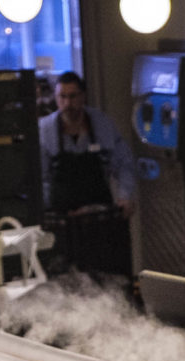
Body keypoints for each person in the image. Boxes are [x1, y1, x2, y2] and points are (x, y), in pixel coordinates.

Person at [42, 71, 134, 276]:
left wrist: (125, 196)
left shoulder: (102, 124)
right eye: (62, 97)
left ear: (83, 96)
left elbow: (124, 163)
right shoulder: (45, 129)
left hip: (98, 219)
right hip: (63, 223)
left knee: (105, 276)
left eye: (72, 96)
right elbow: (41, 178)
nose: (67, 103)